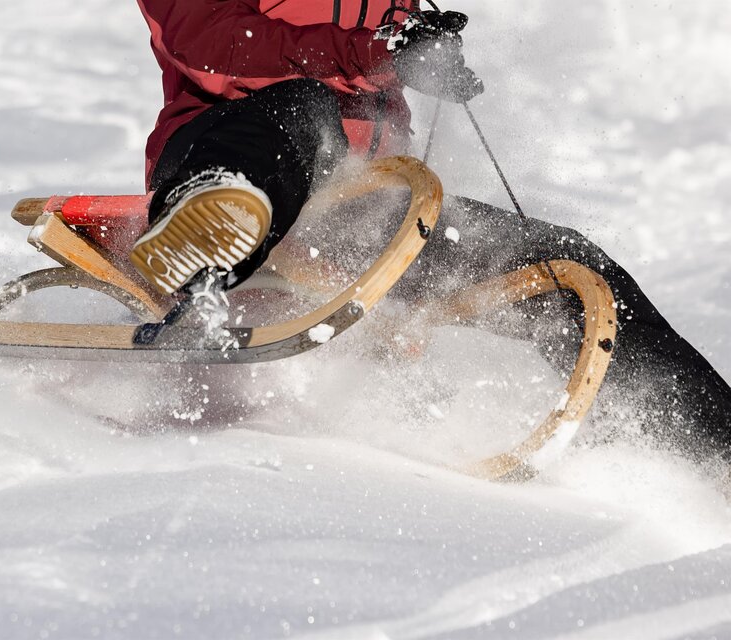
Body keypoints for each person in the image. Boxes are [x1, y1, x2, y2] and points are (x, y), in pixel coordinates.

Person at [130, 0, 731, 462]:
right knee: (305, 107)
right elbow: (208, 41)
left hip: (355, 206)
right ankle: (213, 221)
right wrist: (376, 51)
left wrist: (421, 57)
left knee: (572, 269)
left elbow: (374, 76)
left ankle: (706, 450)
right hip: (228, 148)